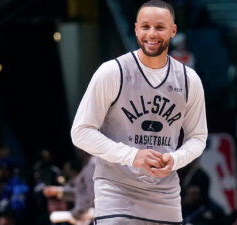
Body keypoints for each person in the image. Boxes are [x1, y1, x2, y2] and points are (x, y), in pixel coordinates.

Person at [71, 0, 208, 224]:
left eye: (160, 27)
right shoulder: (112, 72)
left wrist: (175, 159)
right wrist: (133, 156)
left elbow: (198, 137)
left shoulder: (189, 79)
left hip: (165, 194)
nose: (151, 34)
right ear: (136, 28)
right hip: (116, 190)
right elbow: (81, 132)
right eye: (145, 27)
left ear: (173, 30)